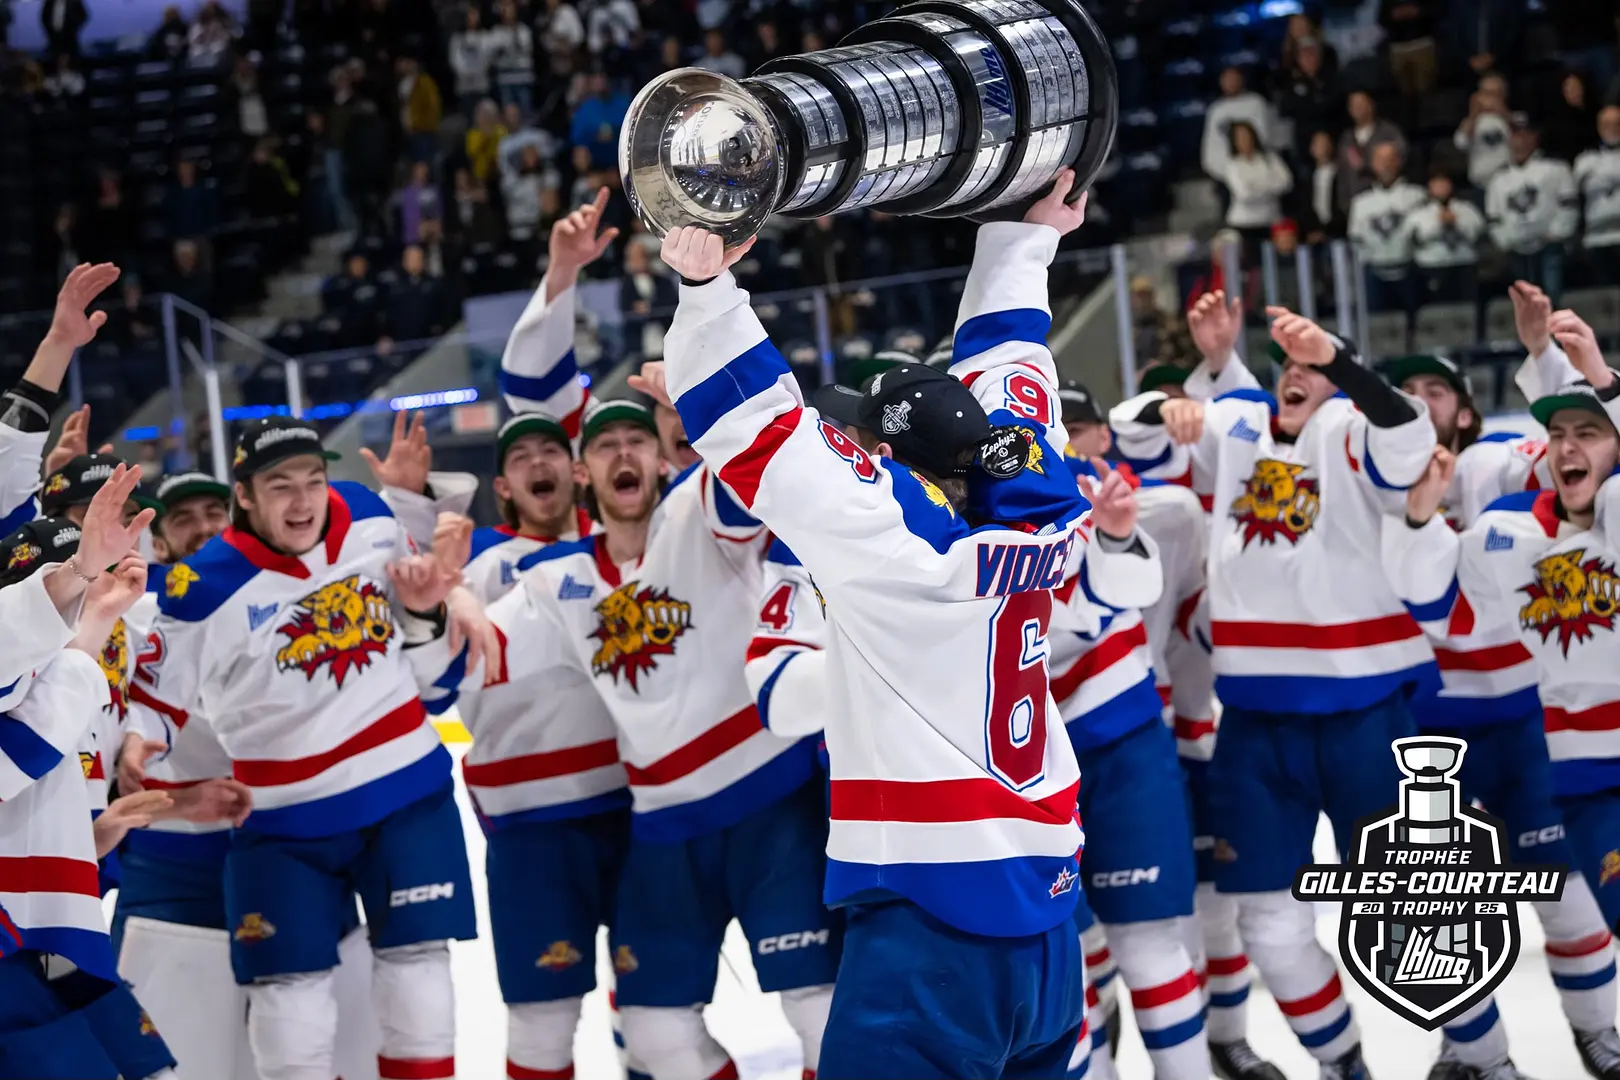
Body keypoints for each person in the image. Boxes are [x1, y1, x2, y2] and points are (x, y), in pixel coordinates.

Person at [655, 169, 1142, 1078]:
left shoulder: (892, 551)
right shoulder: (1046, 517)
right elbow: (1014, 373)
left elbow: (758, 432)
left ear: (891, 464)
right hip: (1048, 930)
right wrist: (1020, 238)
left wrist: (706, 291)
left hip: (931, 928)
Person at [499, 193, 838, 1078]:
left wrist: (708, 409)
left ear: (660, 457)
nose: (622, 457)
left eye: (637, 443)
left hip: (771, 803)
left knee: (821, 1012)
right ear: (585, 472)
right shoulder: (556, 580)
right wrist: (434, 608)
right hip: (662, 828)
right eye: (604, 446)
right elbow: (475, 652)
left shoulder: (701, 507)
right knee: (653, 1036)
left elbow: (770, 448)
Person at [1110, 307, 1441, 1080]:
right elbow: (1130, 427)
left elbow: (1411, 434)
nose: (1298, 374)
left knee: (1415, 917)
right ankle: (1344, 1063)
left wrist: (1341, 364)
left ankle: (1477, 1054)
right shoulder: (1238, 427)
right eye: (1290, 363)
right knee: (1267, 922)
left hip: (1366, 718)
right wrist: (1172, 405)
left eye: (1316, 367)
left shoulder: (1356, 434)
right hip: (1256, 727)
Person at [127, 417, 488, 1080]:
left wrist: (440, 602)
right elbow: (155, 701)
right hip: (282, 820)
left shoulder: (373, 516)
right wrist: (137, 751)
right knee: (290, 1022)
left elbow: (424, 636)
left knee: (420, 988)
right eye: (280, 486)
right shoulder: (200, 587)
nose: (302, 502)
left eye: (313, 481)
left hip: (405, 792)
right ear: (247, 495)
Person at [1377, 323, 1620, 1080]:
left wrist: (1590, 375)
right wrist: (1418, 518)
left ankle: (1596, 1036)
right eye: (1560, 438)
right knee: (1439, 919)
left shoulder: (1513, 476)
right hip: (1532, 761)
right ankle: (1476, 1054)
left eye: (1435, 392)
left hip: (1525, 736)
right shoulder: (1504, 535)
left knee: (1577, 913)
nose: (1568, 446)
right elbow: (1439, 603)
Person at [0, 467, 160, 1077]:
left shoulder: (67, 676)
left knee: (143, 1061)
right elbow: (21, 751)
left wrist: (91, 841)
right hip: (21, 941)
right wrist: (81, 590)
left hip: (45, 933)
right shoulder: (49, 682)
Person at [1485, 115, 1579, 304]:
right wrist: (1505, 240)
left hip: (1549, 245)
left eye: (1524, 135)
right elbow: (1493, 217)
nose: (1519, 142)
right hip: (1517, 249)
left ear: (1534, 138)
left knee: (1552, 297)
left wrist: (1558, 232)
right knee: (1525, 302)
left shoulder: (1555, 168)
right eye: (1515, 136)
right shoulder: (1498, 178)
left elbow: (1569, 204)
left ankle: (1555, 333)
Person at [1347, 142, 1426, 315]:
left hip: (1410, 272)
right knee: (1378, 328)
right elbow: (1355, 241)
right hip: (1374, 274)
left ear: (1398, 161)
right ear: (1373, 164)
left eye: (1390, 159)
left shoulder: (1417, 196)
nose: (1386, 165)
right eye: (1381, 160)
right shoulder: (1361, 203)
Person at [1405, 170, 1486, 305]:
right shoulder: (1418, 213)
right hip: (1432, 268)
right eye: (1437, 184)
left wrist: (1457, 224)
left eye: (1444, 183)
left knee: (1467, 309)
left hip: (1463, 266)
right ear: (1429, 187)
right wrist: (1438, 226)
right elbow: (1414, 240)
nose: (1441, 187)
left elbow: (1478, 236)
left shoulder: (1467, 209)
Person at [1220, 122, 1293, 254]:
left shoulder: (1270, 158)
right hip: (1243, 223)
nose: (1244, 140)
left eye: (1246, 135)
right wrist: (1269, 185)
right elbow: (1244, 194)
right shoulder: (1232, 165)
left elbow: (1286, 183)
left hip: (1271, 220)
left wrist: (1255, 186)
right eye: (1239, 137)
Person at [1336, 92, 1407, 217]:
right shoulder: (1346, 139)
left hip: (1385, 205)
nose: (1358, 108)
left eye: (1361, 104)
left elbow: (1400, 160)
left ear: (1371, 105)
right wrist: (1344, 204)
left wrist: (1367, 165)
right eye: (1354, 105)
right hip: (1353, 206)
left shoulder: (1389, 132)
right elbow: (1342, 174)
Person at [1202, 67, 1273, 188]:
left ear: (1242, 80)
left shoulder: (1255, 102)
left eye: (1234, 78)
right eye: (1227, 79)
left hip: (1255, 171)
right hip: (1225, 174)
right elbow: (1211, 143)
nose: (1231, 83)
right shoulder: (1216, 109)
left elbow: (1263, 136)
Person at [1574, 106, 1620, 285]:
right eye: (1607, 124)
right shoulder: (1585, 161)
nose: (1612, 129)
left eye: (1617, 124)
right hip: (1597, 238)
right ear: (1599, 127)